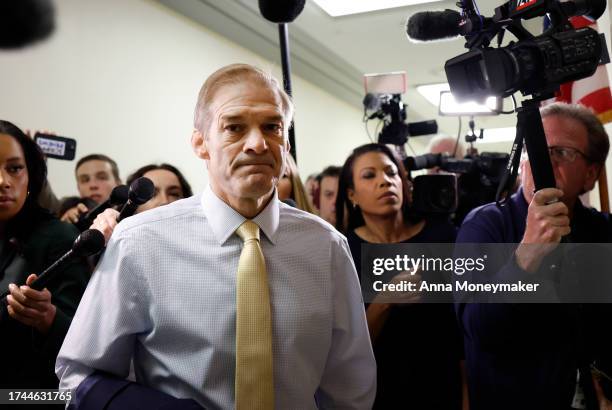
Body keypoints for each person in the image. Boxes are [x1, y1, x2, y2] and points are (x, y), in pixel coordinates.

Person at [57, 64, 376, 409]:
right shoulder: (139, 243)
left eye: (272, 126)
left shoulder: (326, 247)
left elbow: (350, 387)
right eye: (234, 128)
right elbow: (78, 376)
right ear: (200, 142)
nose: (257, 143)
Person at [455, 102, 612, 410]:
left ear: (591, 174)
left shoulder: (603, 231)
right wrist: (526, 255)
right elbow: (479, 329)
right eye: (535, 148)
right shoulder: (484, 225)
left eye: (562, 152)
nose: (543, 160)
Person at [335, 143, 466, 410]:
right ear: (352, 195)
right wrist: (383, 301)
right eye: (369, 176)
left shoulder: (444, 237)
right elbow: (344, 351)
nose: (384, 181)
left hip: (444, 386)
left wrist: (467, 395)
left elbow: (463, 329)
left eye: (391, 173)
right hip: (380, 393)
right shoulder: (342, 252)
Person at [0, 120, 90, 392]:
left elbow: (85, 340)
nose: (3, 182)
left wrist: (47, 317)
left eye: (14, 169)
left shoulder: (60, 237)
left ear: (31, 175)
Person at [59, 154, 121, 223]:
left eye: (102, 177)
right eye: (85, 180)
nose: (93, 185)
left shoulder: (133, 217)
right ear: (78, 188)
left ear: (118, 183)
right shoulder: (63, 212)